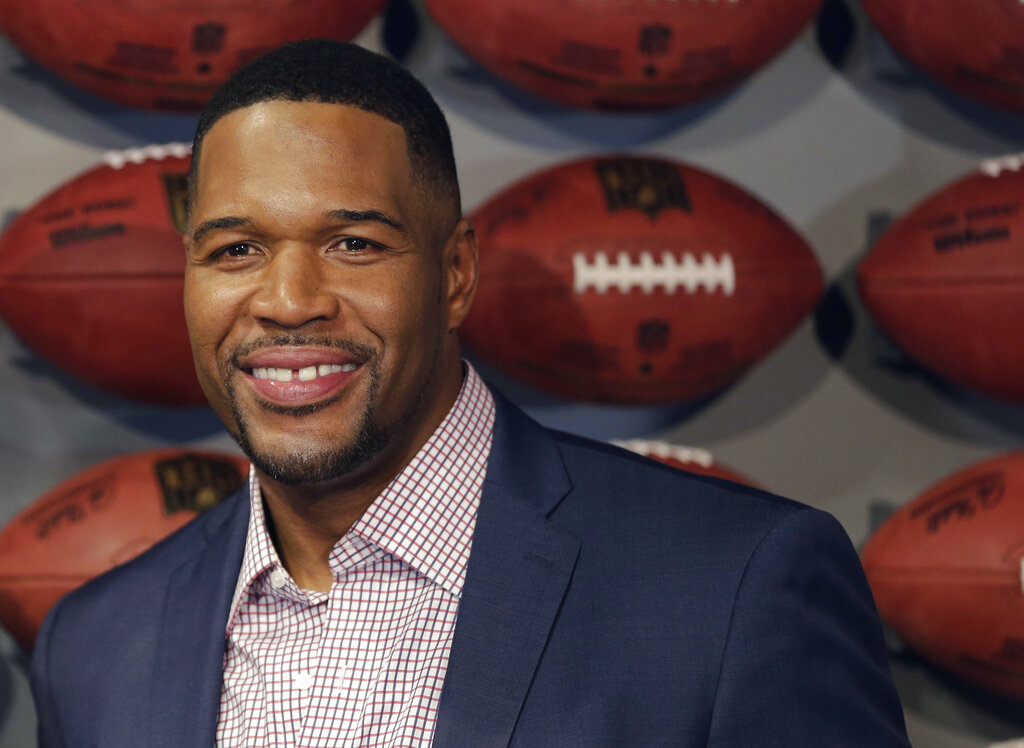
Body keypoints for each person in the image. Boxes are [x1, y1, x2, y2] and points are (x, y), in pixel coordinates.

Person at [30, 40, 910, 747]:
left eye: (355, 244)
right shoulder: (95, 646)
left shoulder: (735, 587)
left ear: (455, 274)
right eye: (235, 251)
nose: (288, 300)